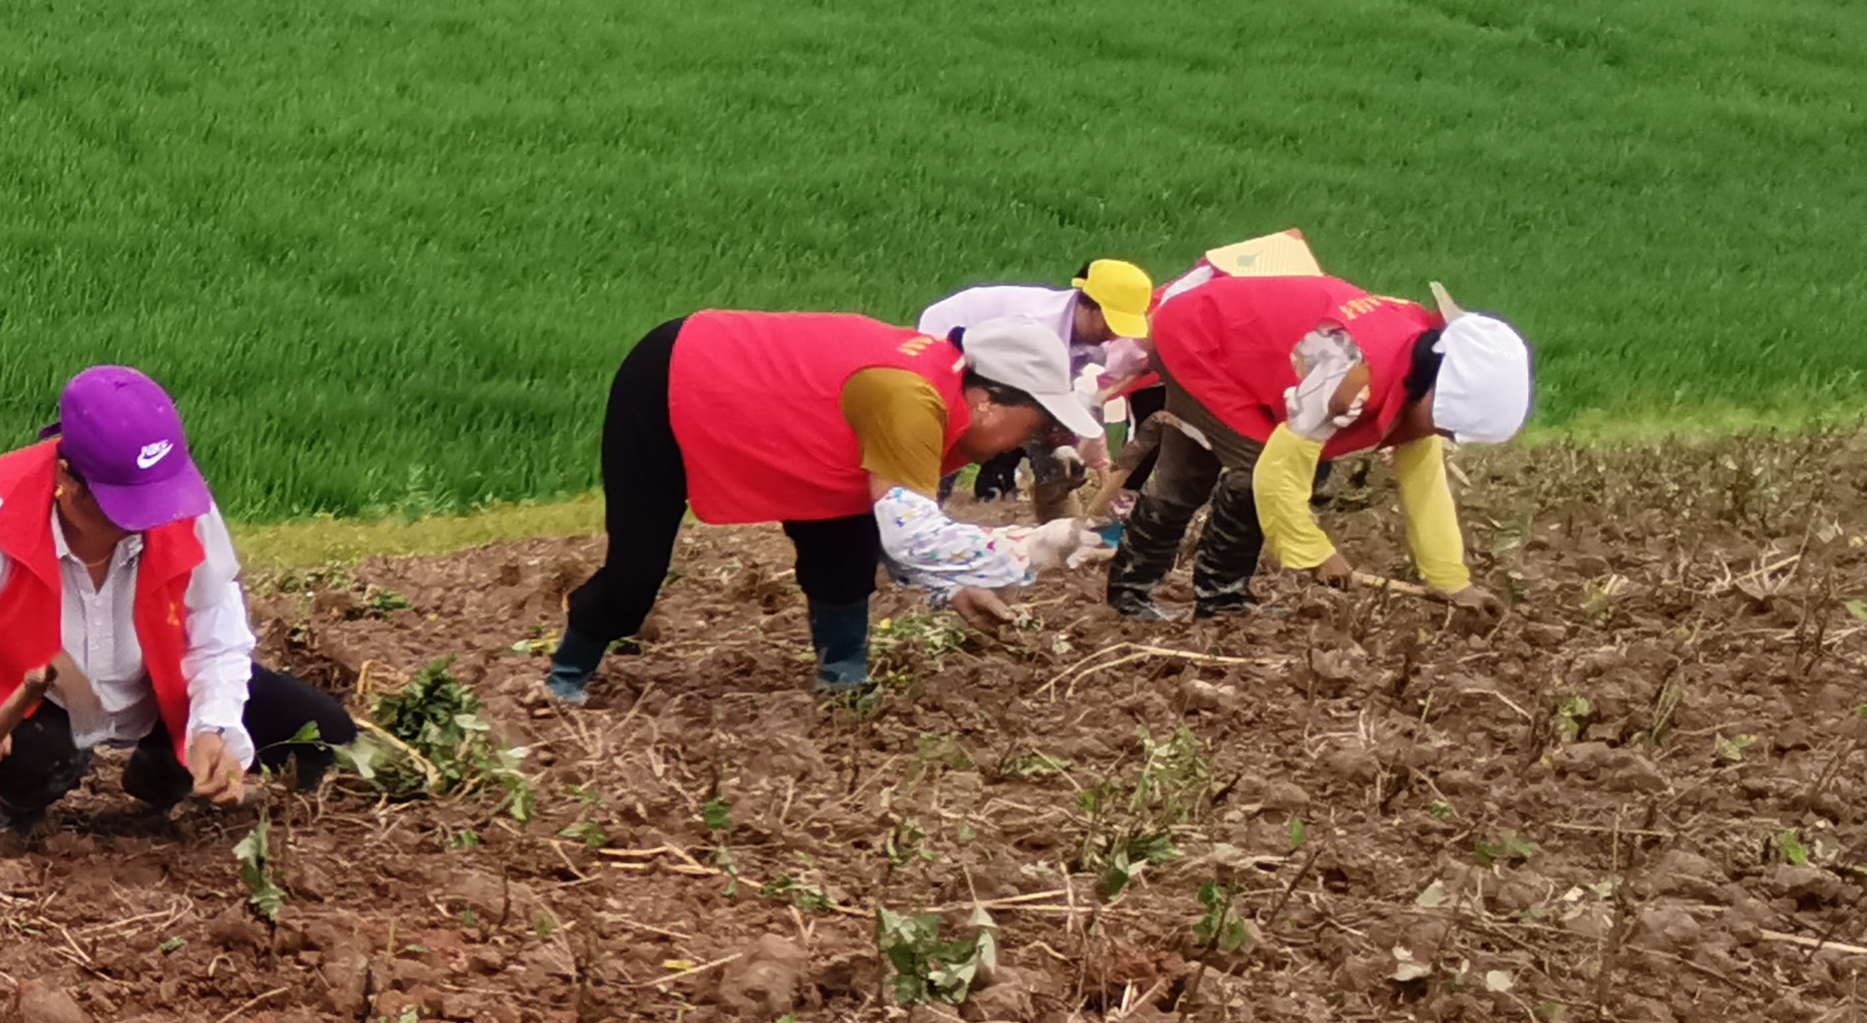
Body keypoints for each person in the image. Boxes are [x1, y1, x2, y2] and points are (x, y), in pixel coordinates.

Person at [0, 366, 357, 839]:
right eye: (125, 507)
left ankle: (163, 773)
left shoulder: (178, 501)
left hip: (158, 684)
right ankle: (9, 804)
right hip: (46, 700)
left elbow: (218, 634)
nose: (148, 521)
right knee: (42, 755)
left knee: (325, 733)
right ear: (67, 481)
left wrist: (213, 726)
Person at [543, 310, 1099, 705]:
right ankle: (562, 680)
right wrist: (1040, 546)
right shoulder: (909, 400)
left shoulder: (941, 388)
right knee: (635, 575)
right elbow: (913, 535)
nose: (1027, 445)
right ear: (988, 403)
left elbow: (889, 524)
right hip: (678, 379)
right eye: (1033, 428)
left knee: (845, 543)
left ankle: (844, 683)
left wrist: (951, 584)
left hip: (793, 429)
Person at [1110, 255, 1532, 619]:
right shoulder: (1350, 369)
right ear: (1437, 389)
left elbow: (1426, 486)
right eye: (1443, 425)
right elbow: (1276, 475)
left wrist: (1452, 582)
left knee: (1204, 469)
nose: (1437, 435)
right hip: (1200, 337)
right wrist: (1315, 553)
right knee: (1244, 467)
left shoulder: (1421, 369)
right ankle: (1207, 600)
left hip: (1245, 350)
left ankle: (1163, 591)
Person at [917, 260, 1153, 516]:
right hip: (951, 335)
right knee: (963, 418)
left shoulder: (1089, 333)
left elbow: (1070, 387)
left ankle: (1000, 490)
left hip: (997, 354)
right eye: (1109, 324)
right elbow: (1015, 392)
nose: (1112, 334)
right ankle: (931, 496)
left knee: (1028, 421)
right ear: (1088, 305)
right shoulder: (1040, 326)